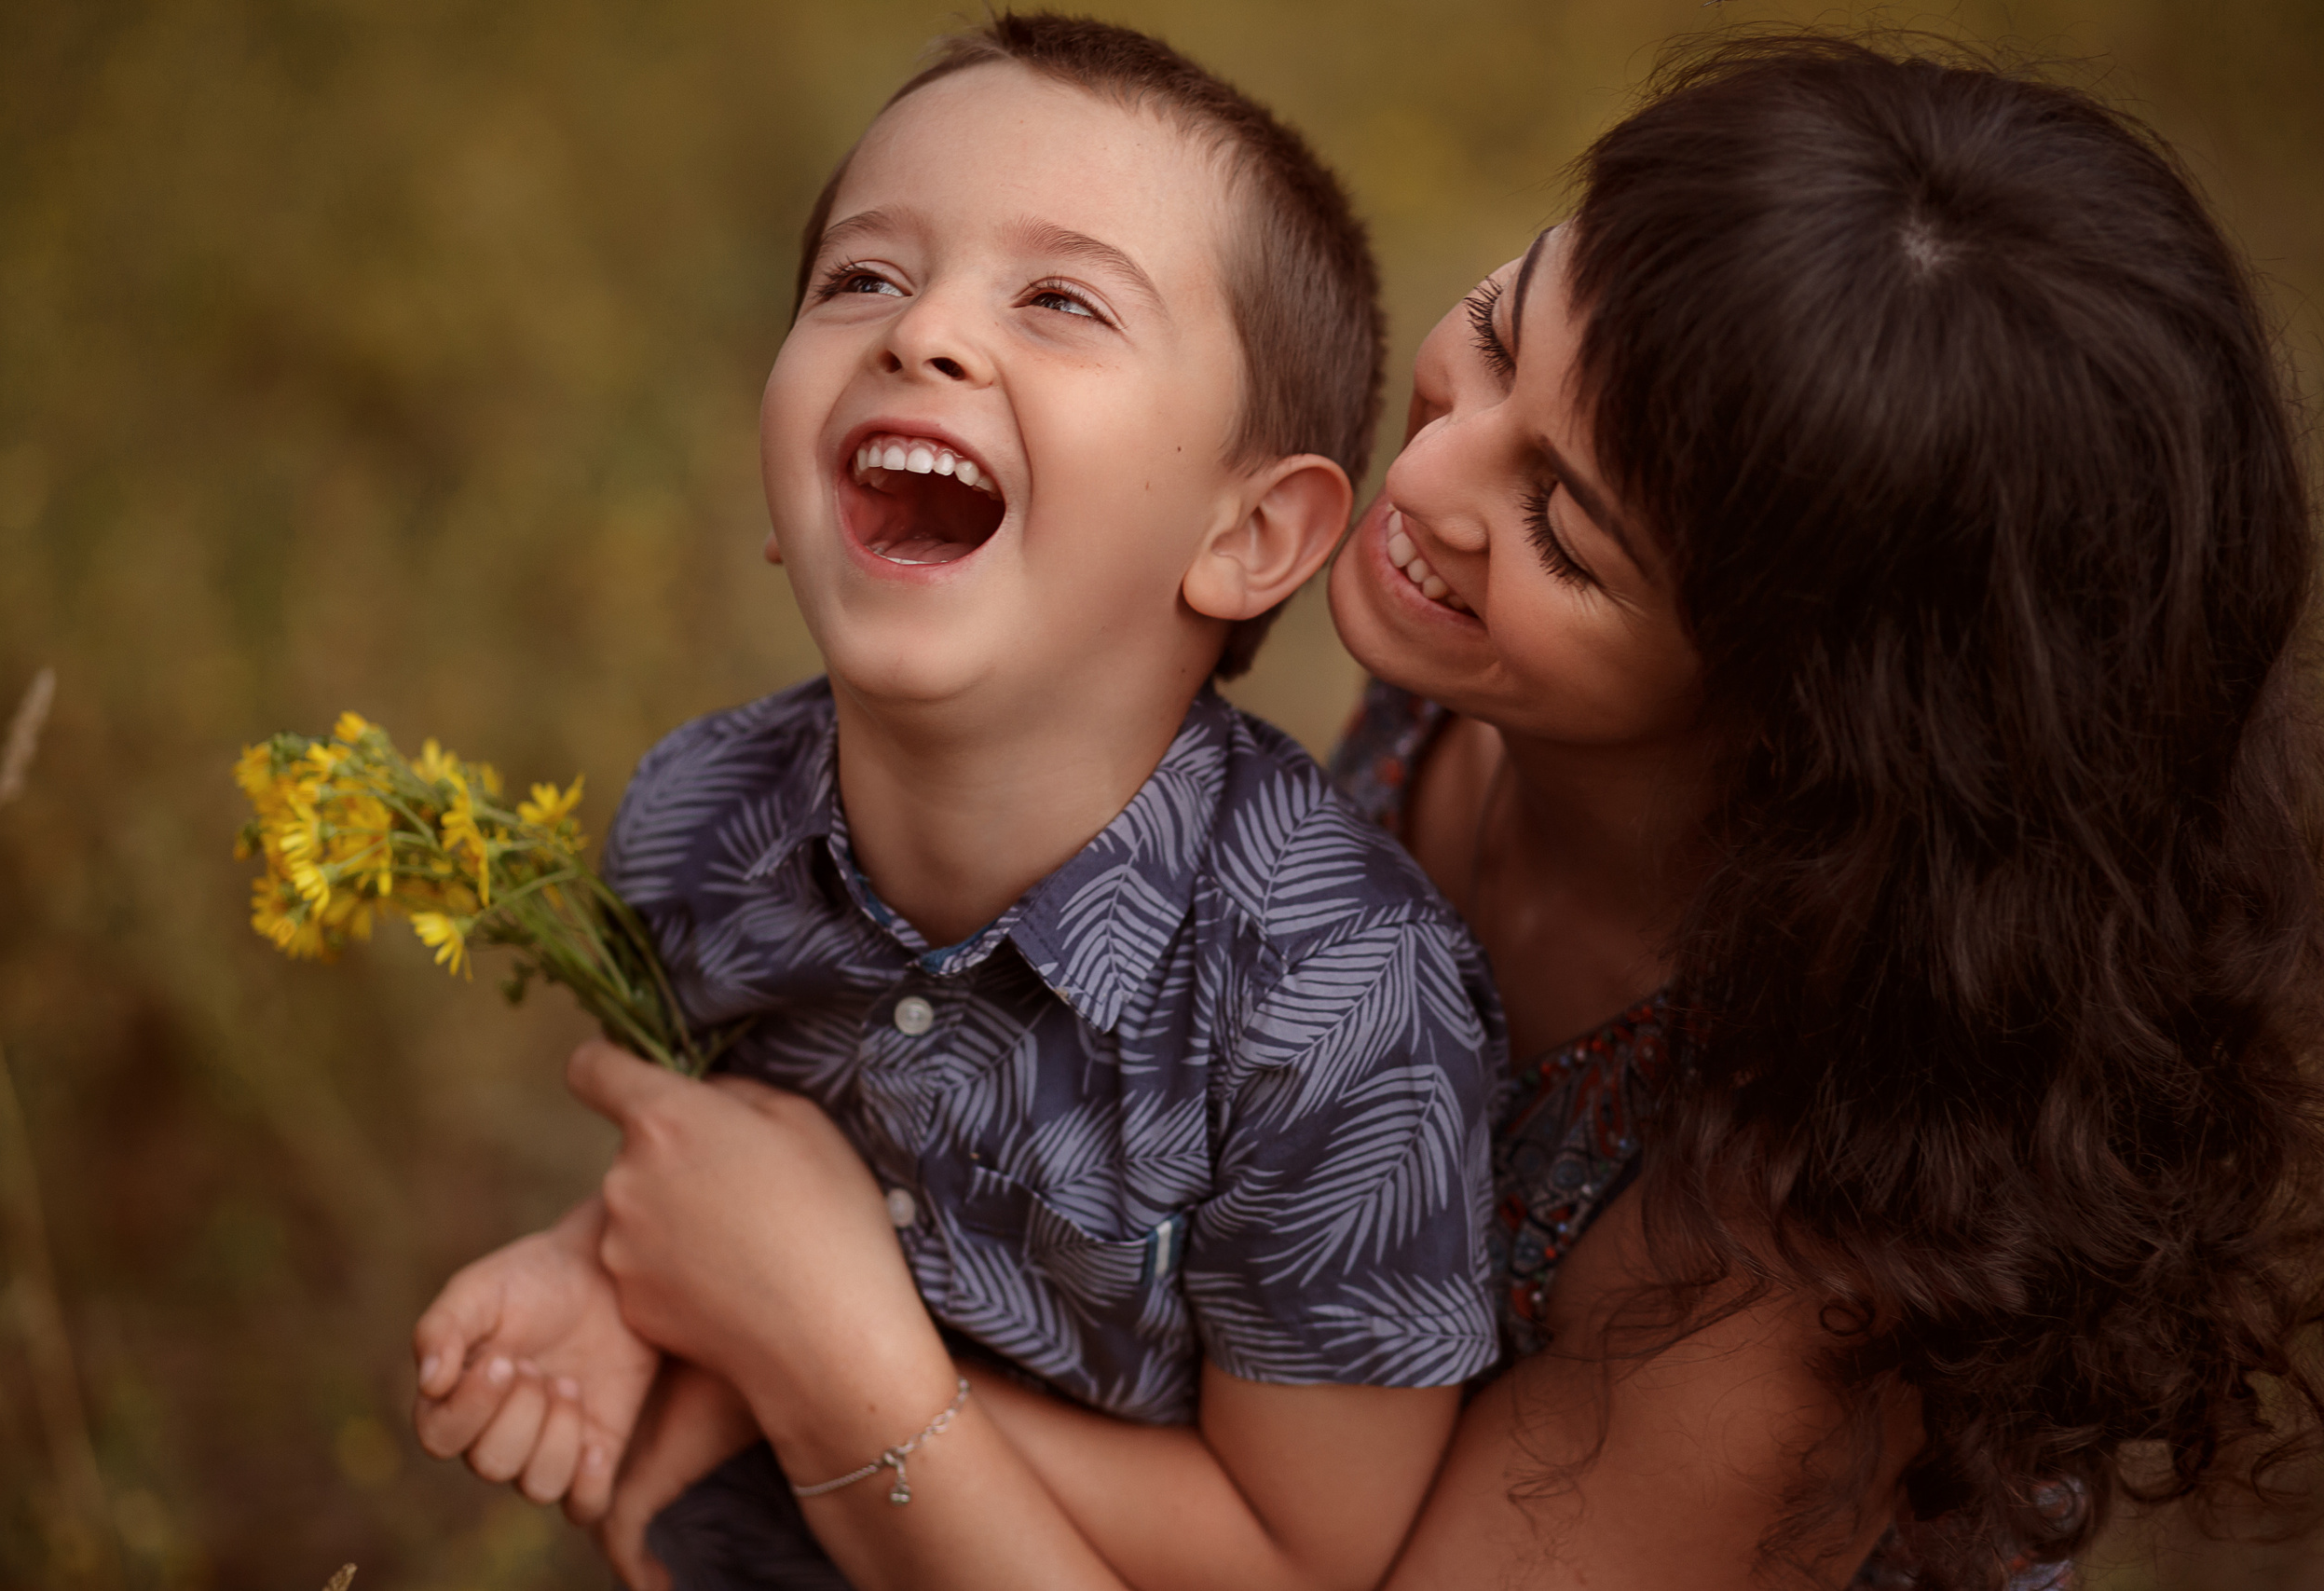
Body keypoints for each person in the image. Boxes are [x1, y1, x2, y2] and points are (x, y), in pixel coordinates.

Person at [564, 29, 2324, 1591]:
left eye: (1565, 527)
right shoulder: (1456, 706)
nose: (1420, 481)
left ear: (1815, 720)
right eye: (1497, 333)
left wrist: (824, 1359)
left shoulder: (1803, 1262)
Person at [408, 15, 1510, 1591]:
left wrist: (777, 1358)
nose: (920, 334)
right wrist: (605, 1272)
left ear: (1254, 537)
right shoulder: (696, 821)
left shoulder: (1344, 1000)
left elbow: (1300, 1558)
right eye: (862, 277)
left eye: (1061, 300)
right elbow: (727, 1165)